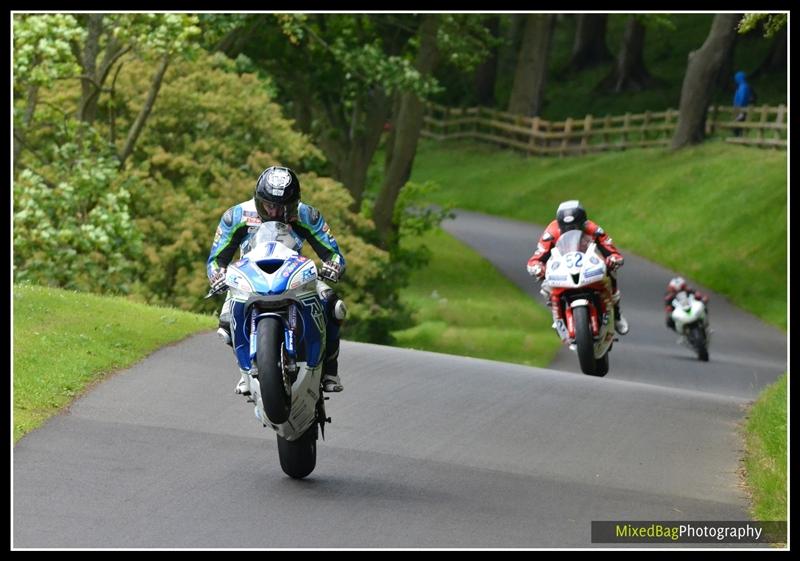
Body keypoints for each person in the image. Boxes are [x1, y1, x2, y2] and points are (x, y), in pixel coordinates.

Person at [207, 165, 348, 395]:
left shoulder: (307, 215)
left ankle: (330, 370)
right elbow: (216, 258)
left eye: (283, 207)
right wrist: (217, 275)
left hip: (293, 274)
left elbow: (333, 253)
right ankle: (246, 371)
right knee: (225, 319)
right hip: (249, 277)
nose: (274, 212)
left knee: (333, 304)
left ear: (295, 202)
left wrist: (333, 265)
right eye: (268, 205)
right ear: (258, 199)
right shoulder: (236, 216)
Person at [526, 200, 629, 342]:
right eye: (567, 227)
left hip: (587, 264)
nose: (571, 229)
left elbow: (609, 247)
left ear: (583, 222)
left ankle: (616, 314)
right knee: (546, 286)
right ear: (560, 224)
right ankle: (558, 316)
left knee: (611, 272)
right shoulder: (551, 232)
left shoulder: (593, 229)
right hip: (563, 266)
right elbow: (538, 254)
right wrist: (537, 266)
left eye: (575, 226)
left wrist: (614, 258)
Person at [732, 70, 756, 137]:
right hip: (739, 108)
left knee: (739, 121)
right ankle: (738, 135)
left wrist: (739, 106)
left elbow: (742, 97)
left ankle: (739, 135)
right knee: (739, 121)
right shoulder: (740, 86)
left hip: (742, 107)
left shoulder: (744, 87)